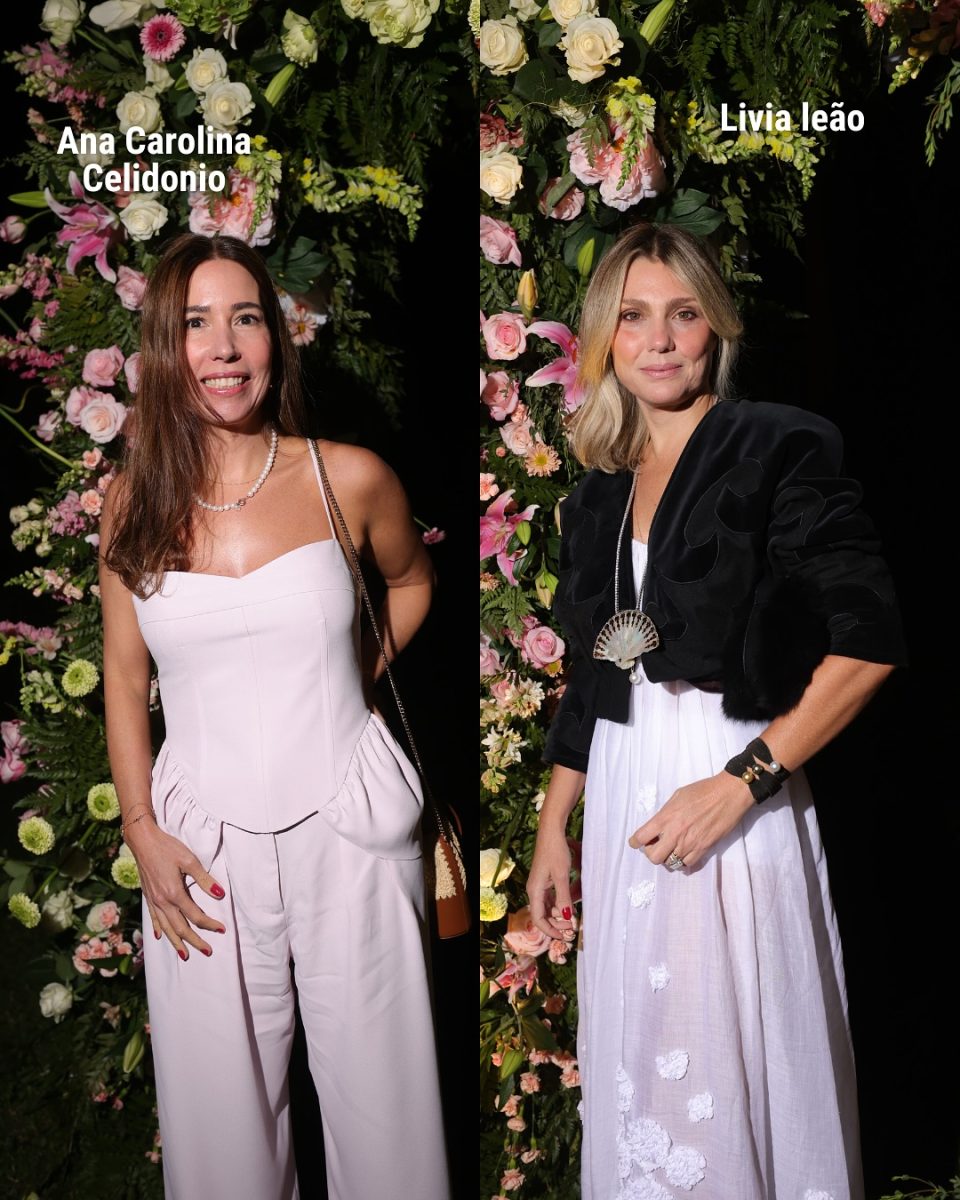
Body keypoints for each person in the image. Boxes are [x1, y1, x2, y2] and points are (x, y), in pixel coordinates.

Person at [527, 223, 906, 1200]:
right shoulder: (598, 494)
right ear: (605, 339)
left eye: (683, 313)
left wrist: (740, 786)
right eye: (633, 317)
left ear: (717, 329)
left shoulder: (775, 444)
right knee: (643, 1059)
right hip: (623, 786)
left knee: (730, 1050)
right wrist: (555, 824)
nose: (659, 339)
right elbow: (598, 673)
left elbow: (870, 643)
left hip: (733, 772)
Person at [99, 232, 450, 1200]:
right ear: (165, 348)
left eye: (245, 318)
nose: (222, 346)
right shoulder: (131, 504)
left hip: (352, 827)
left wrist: (348, 679)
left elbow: (413, 580)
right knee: (222, 1141)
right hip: (197, 849)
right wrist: (141, 829)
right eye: (195, 324)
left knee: (391, 1122)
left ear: (275, 339)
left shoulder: (350, 477)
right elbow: (124, 677)